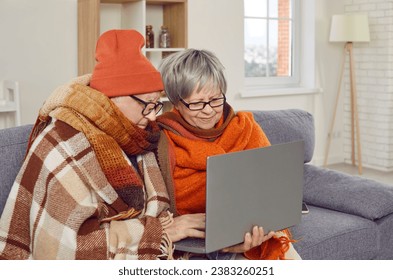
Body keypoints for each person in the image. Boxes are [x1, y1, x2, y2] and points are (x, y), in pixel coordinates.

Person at [0, 29, 201, 260]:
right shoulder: (61, 143)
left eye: (157, 104)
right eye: (148, 104)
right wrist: (156, 232)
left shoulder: (136, 134)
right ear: (112, 98)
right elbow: (60, 248)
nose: (154, 116)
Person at [157, 49, 301, 260]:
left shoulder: (245, 128)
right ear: (176, 102)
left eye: (215, 99)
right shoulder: (162, 140)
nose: (208, 111)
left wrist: (257, 233)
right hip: (193, 242)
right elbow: (159, 213)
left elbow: (272, 189)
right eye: (197, 103)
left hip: (251, 232)